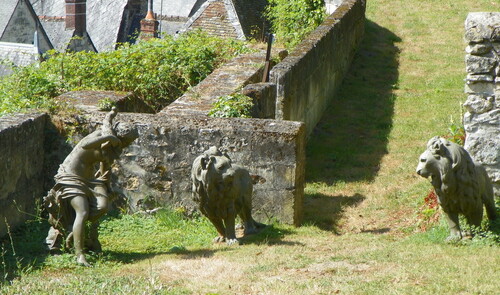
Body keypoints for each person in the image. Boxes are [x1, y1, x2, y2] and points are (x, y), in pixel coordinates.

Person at [44, 108, 138, 266]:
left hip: (91, 179)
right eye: (128, 140)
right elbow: (86, 145)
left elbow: (105, 167)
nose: (128, 144)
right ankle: (80, 255)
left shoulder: (114, 148)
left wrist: (106, 187)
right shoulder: (100, 135)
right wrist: (107, 136)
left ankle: (75, 234)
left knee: (102, 207)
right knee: (83, 210)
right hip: (71, 175)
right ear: (120, 135)